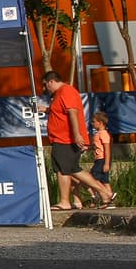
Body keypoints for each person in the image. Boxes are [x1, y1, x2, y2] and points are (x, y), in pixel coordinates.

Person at [42, 70, 113, 212]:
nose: (45, 89)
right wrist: (46, 110)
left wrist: (76, 135)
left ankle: (66, 201)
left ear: (51, 81)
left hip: (66, 139)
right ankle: (104, 193)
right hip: (60, 138)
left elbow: (72, 113)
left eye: (45, 85)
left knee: (65, 169)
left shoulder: (66, 91)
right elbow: (59, 112)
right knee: (70, 169)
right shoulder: (59, 95)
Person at [89, 110, 116, 207]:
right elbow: (97, 146)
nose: (92, 123)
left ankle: (107, 194)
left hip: (102, 160)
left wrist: (106, 163)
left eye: (94, 122)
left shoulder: (103, 134)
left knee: (91, 178)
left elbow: (107, 148)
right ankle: (109, 202)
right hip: (98, 159)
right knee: (105, 181)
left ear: (100, 123)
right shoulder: (98, 134)